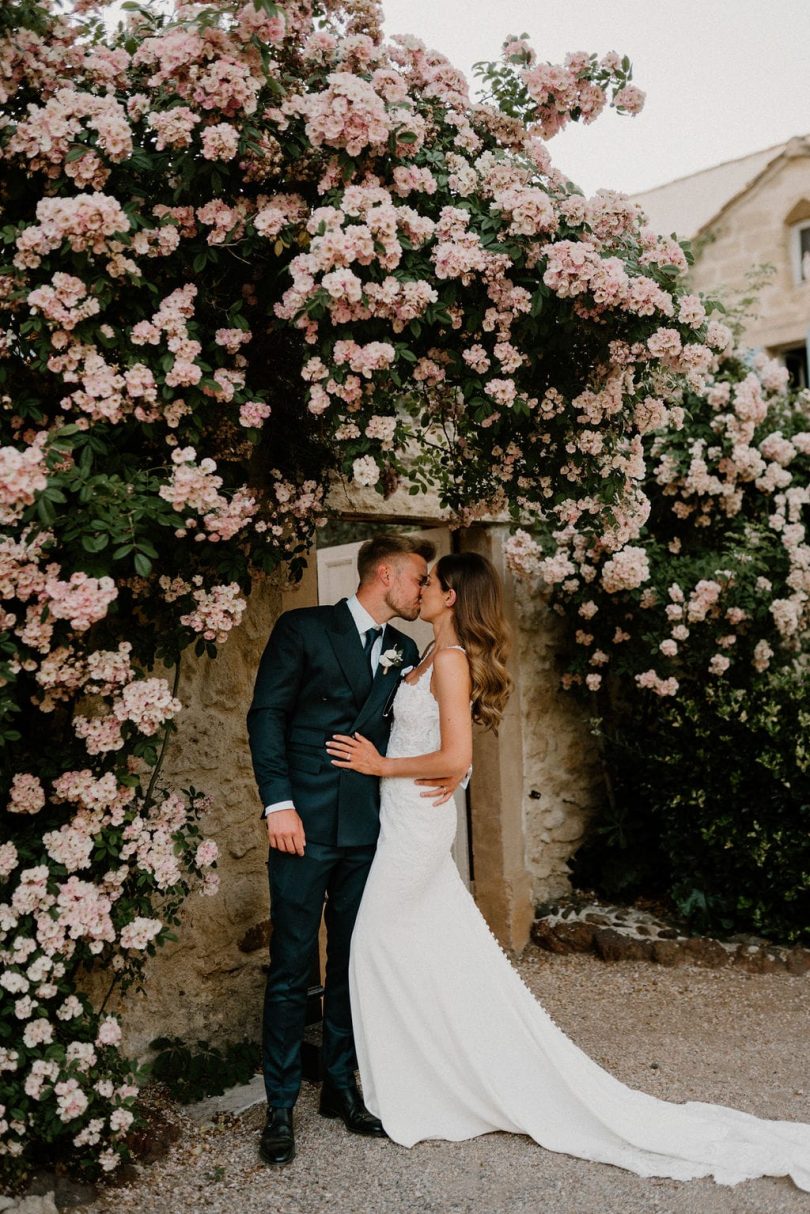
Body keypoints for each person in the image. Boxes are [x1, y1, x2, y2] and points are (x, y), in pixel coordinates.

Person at [326, 552, 810, 1192]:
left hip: (415, 822)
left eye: (431, 583)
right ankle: (442, 1072)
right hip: (405, 818)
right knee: (428, 949)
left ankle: (427, 1082)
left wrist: (378, 766)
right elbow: (448, 754)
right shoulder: (422, 654)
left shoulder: (447, 661)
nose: (421, 590)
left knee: (374, 943)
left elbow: (458, 753)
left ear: (452, 597)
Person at [246, 533, 453, 1167]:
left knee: (352, 967)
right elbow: (266, 716)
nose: (422, 590)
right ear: (385, 574)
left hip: (370, 832)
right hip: (302, 826)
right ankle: (280, 1104)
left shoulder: (405, 649)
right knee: (291, 967)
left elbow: (430, 726)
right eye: (417, 578)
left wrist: (450, 770)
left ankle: (340, 1086)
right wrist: (278, 805)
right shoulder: (303, 628)